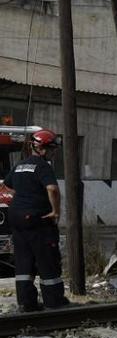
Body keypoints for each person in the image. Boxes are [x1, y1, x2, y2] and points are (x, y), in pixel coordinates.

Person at [3, 129, 71, 311]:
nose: (53, 152)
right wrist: (56, 212)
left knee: (24, 259)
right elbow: (53, 189)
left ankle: (26, 302)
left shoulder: (19, 165)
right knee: (47, 258)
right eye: (51, 149)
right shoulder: (42, 166)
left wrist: (23, 198)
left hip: (16, 217)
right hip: (37, 218)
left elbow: (7, 185)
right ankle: (54, 301)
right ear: (41, 149)